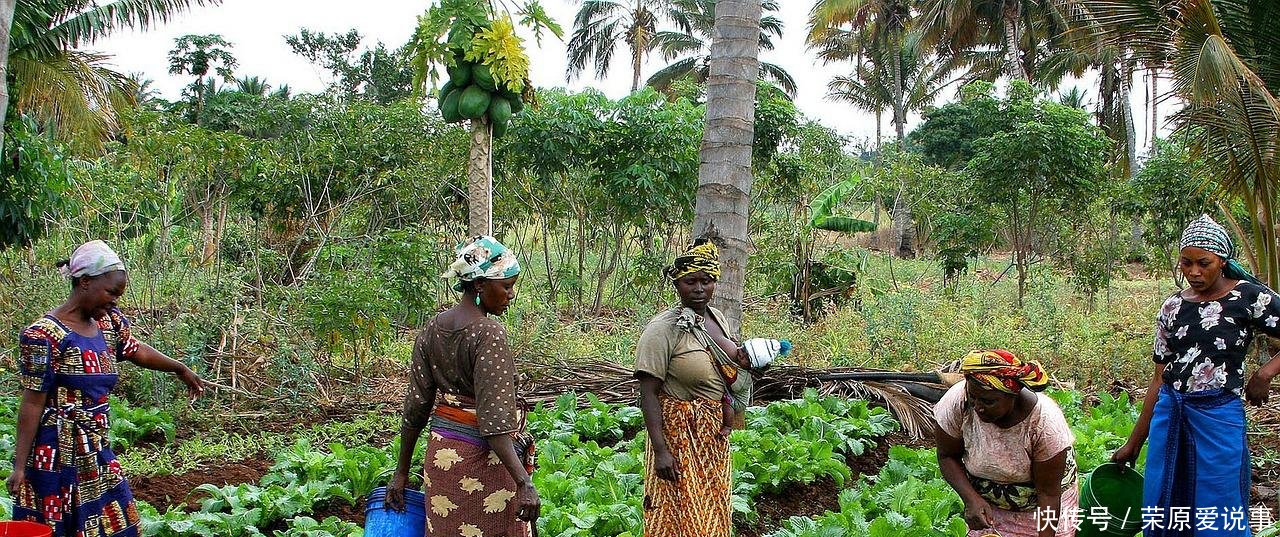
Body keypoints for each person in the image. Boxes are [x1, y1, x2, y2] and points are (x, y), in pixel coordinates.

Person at [9, 240, 204, 536]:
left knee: (119, 524)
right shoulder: (43, 335)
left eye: (118, 295)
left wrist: (179, 367)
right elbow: (32, 402)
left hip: (96, 447)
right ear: (84, 282)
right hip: (55, 454)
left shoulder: (110, 323)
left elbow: (135, 349)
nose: (115, 301)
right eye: (111, 292)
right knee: (56, 526)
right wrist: (20, 466)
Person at [1111, 214, 1280, 537]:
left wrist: (1265, 373)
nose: (1193, 272)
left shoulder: (1247, 297)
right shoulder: (1173, 306)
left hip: (1219, 416)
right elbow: (1159, 377)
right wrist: (1135, 441)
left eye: (1203, 263)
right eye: (1186, 263)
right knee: (1163, 501)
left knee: (1219, 504)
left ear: (1222, 261)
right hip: (1171, 413)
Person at [387, 235, 539, 537]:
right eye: (506, 286)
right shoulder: (488, 333)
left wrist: (401, 472)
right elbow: (494, 425)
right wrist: (524, 483)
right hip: (482, 464)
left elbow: (416, 406)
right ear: (480, 285)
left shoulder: (434, 327)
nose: (511, 295)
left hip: (442, 458)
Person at [635, 238, 746, 537]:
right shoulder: (662, 330)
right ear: (677, 284)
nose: (699, 289)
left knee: (714, 505)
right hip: (678, 435)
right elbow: (648, 394)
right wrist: (661, 451)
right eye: (690, 282)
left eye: (706, 281)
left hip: (711, 435)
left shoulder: (717, 319)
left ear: (715, 282)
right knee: (677, 511)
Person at [935, 349, 1079, 537]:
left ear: (1013, 394)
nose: (977, 406)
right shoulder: (958, 403)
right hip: (988, 507)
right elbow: (946, 455)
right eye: (973, 397)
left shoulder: (1044, 423)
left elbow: (1049, 494)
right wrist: (971, 499)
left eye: (988, 401)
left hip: (1042, 509)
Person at [718, 338, 791, 437]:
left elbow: (734, 386)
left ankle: (727, 427)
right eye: (743, 349)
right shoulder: (739, 363)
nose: (741, 355)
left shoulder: (744, 378)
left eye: (746, 358)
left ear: (752, 366)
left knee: (727, 402)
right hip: (734, 392)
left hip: (738, 401)